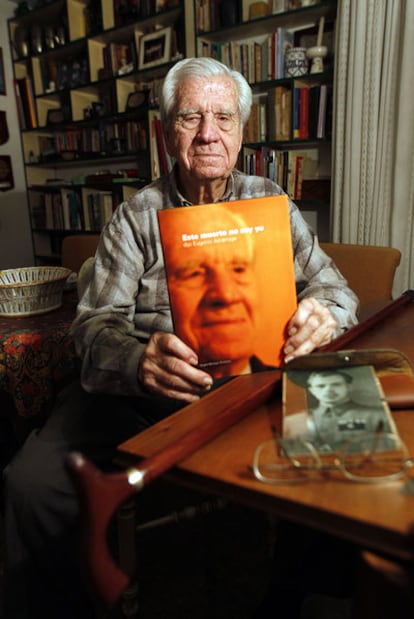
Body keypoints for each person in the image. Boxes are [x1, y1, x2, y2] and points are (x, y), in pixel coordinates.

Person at [3, 57, 359, 619]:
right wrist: (138, 360)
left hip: (252, 389)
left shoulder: (270, 202)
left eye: (223, 116)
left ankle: (295, 597)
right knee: (31, 483)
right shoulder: (134, 216)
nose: (209, 133)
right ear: (167, 131)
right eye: (191, 117)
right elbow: (92, 326)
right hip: (140, 398)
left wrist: (322, 312)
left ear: (242, 129)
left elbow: (337, 289)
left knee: (349, 442)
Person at [160, 202, 277, 377]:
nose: (226, 294)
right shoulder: (135, 216)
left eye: (239, 269)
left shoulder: (288, 390)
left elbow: (326, 288)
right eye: (194, 273)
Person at [283, 368, 390, 450]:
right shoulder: (293, 422)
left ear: (348, 387)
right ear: (312, 390)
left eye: (336, 384)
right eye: (321, 386)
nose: (328, 390)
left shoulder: (378, 416)